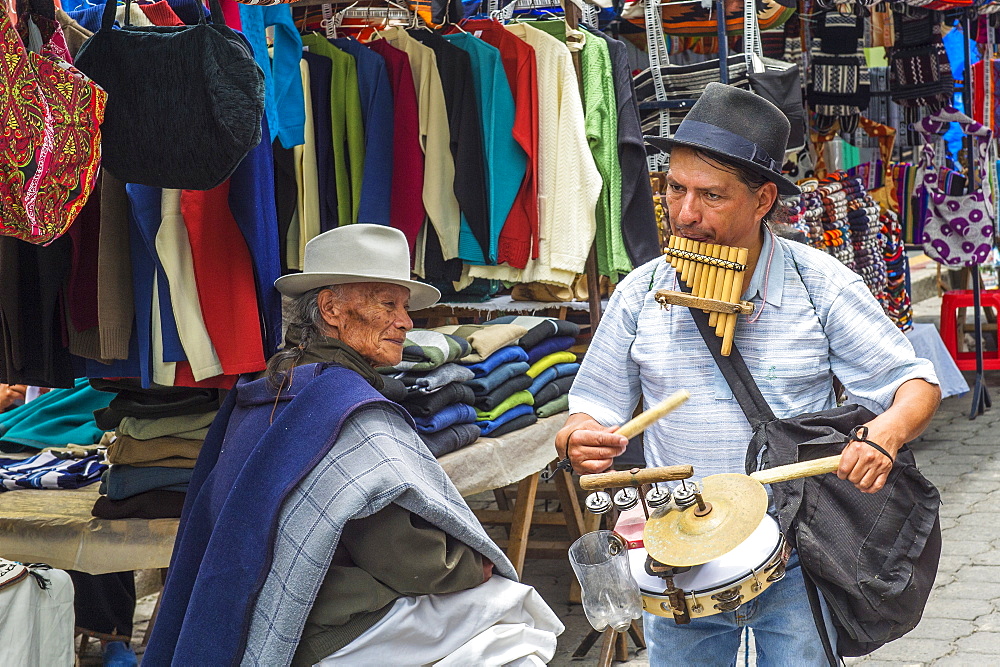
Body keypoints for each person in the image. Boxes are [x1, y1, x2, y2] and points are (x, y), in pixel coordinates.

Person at [557, 83, 941, 665]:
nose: (685, 214)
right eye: (675, 189)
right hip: (678, 549)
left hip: (792, 546)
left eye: (711, 196)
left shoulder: (820, 284)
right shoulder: (641, 291)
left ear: (763, 200)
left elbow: (914, 384)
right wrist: (580, 436)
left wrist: (885, 433)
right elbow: (593, 406)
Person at [144, 224, 561, 666]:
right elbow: (406, 559)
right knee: (519, 622)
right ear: (331, 309)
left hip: (262, 618)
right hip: (329, 630)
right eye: (387, 304)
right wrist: (474, 565)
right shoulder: (345, 406)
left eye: (404, 307)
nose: (405, 322)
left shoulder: (272, 384)